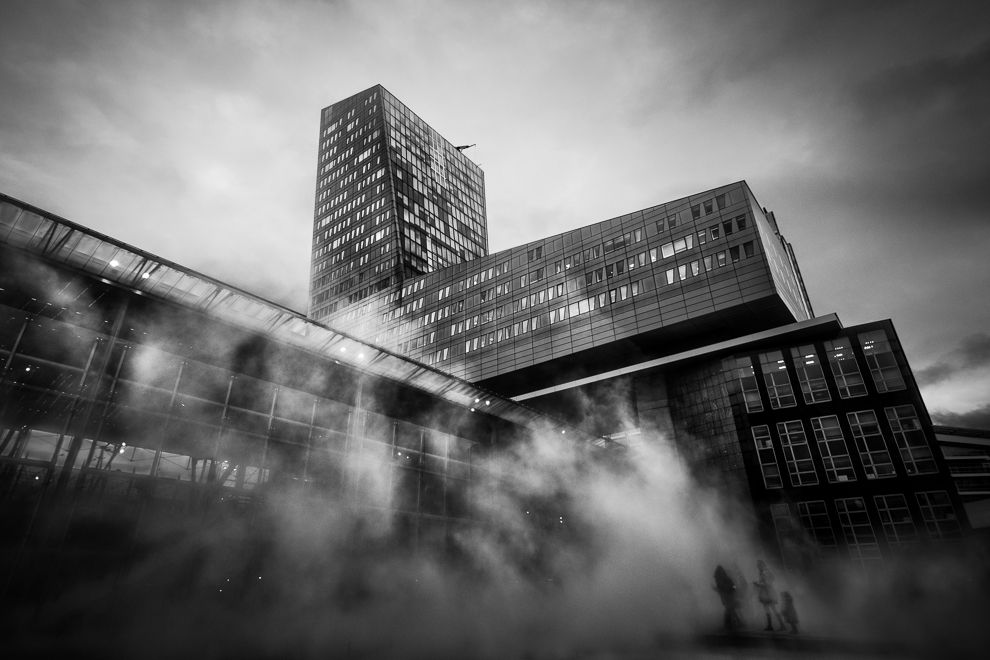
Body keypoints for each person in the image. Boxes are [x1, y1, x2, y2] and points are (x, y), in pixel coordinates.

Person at [753, 559, 785, 632]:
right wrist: (759, 583)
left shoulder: (765, 572)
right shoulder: (763, 572)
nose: (757, 567)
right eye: (757, 565)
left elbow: (767, 583)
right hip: (766, 593)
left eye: (758, 565)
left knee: (771, 609)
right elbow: (768, 581)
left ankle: (777, 625)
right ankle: (774, 625)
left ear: (761, 565)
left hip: (768, 593)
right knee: (770, 610)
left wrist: (758, 584)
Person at [712, 564, 742, 631]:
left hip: (725, 596)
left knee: (729, 609)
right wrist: (734, 590)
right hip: (729, 595)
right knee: (731, 609)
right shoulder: (725, 578)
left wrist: (716, 589)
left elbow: (721, 588)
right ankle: (735, 623)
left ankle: (730, 624)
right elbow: (732, 586)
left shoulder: (719, 579)